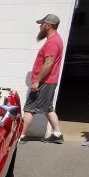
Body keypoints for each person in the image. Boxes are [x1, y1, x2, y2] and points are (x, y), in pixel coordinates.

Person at [20, 14, 65, 144]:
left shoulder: (52, 42)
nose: (40, 27)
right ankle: (57, 134)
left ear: (48, 25)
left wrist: (36, 81)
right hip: (49, 81)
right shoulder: (56, 40)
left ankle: (20, 135)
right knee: (48, 108)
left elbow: (49, 63)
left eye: (41, 24)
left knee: (29, 108)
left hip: (44, 82)